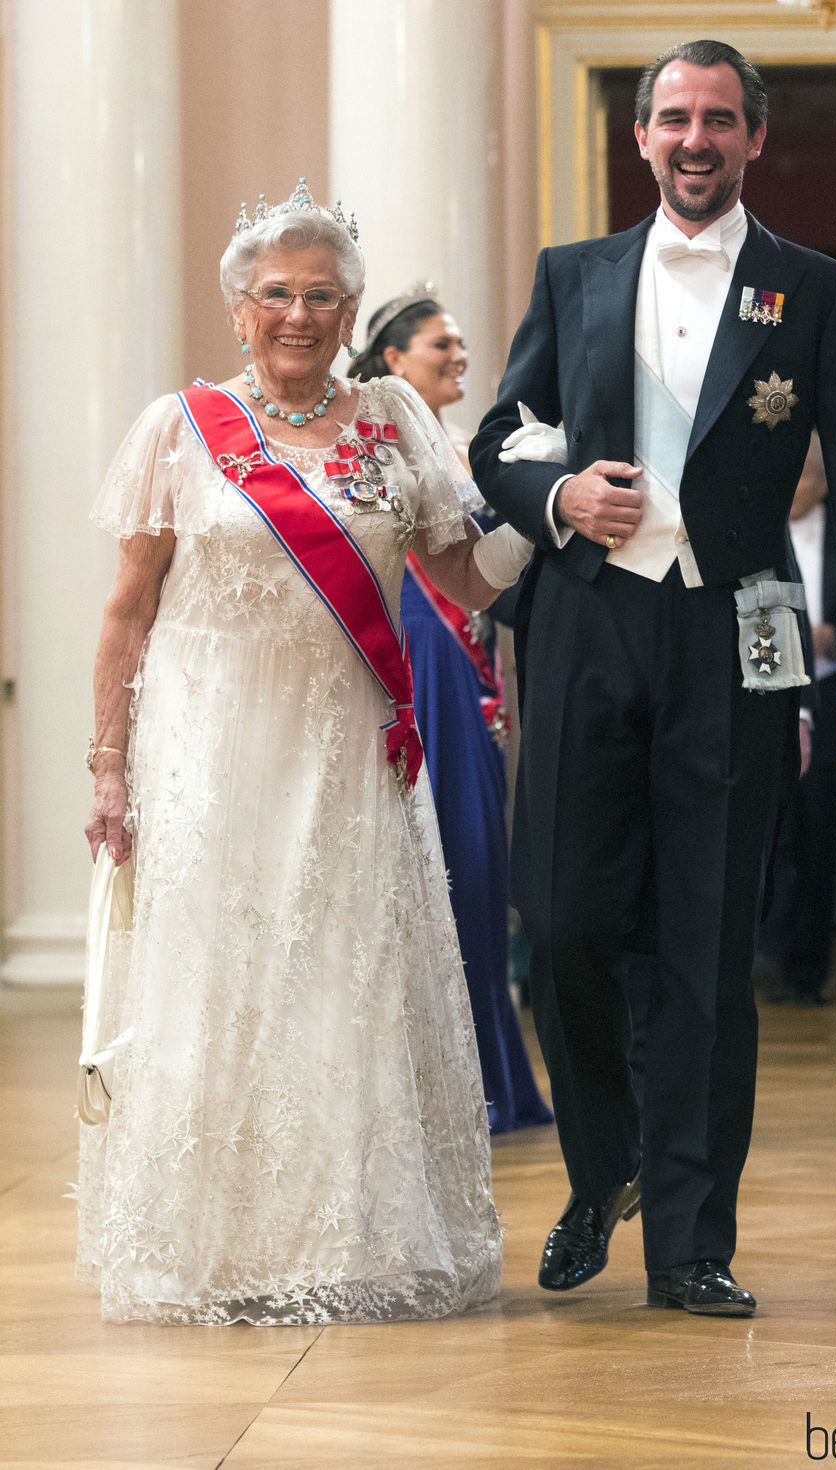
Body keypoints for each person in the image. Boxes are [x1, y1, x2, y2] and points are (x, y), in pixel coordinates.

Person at [469, 40, 836, 1317]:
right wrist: (557, 490)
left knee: (705, 952)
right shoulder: (574, 276)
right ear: (642, 137)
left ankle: (688, 1242)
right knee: (558, 923)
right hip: (583, 627)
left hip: (739, 637)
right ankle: (601, 1165)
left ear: (753, 139)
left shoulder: (814, 290)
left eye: (719, 119)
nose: (694, 139)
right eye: (673, 118)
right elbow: (499, 434)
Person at [78, 180, 531, 1325]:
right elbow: (127, 613)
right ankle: (219, 1250)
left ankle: (347, 1241)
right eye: (274, 294)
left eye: (320, 296)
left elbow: (464, 578)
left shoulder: (391, 418)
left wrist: (552, 502)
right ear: (238, 311)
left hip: (345, 756)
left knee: (344, 985)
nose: (296, 314)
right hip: (212, 756)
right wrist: (108, 764)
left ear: (350, 310)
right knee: (221, 988)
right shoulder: (179, 429)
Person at [349, 291, 552, 1135]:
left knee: (476, 868)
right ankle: (430, 1091)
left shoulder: (467, 448)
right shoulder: (379, 440)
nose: (459, 356)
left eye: (463, 343)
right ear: (394, 359)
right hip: (419, 659)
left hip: (466, 662)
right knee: (439, 863)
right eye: (442, 344)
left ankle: (487, 1077)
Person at [755, 432, 836, 1005]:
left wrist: (833, 636)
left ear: (820, 480)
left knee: (822, 837)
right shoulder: (752, 531)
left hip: (835, 697)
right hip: (767, 697)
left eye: (803, 474)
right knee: (768, 834)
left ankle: (807, 971)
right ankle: (765, 952)